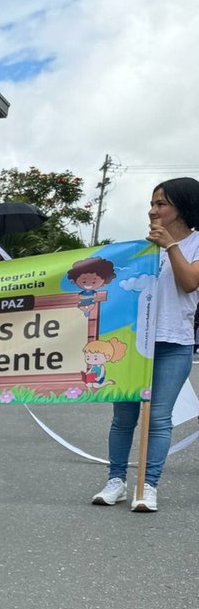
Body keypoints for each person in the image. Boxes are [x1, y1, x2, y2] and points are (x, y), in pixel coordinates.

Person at [92, 178, 199, 512]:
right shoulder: (140, 248)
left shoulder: (195, 243)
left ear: (182, 207)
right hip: (134, 343)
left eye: (161, 204)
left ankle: (148, 485)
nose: (152, 211)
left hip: (174, 342)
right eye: (151, 204)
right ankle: (116, 481)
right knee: (123, 416)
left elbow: (189, 283)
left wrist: (170, 246)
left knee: (159, 418)